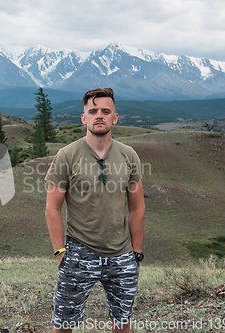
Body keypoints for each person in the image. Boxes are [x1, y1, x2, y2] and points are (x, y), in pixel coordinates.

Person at [44, 87, 145, 332]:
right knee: (63, 323)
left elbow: (137, 207)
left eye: (105, 111)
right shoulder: (66, 156)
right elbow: (52, 209)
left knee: (123, 323)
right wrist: (60, 252)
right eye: (93, 111)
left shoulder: (129, 156)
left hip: (121, 255)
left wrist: (136, 252)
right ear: (84, 117)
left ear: (115, 117)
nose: (99, 115)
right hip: (79, 252)